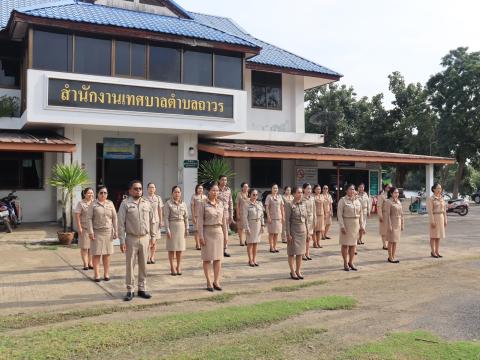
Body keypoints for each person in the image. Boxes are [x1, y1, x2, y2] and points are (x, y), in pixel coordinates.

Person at [117, 180, 156, 301]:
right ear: (130, 190)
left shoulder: (146, 203)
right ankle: (130, 290)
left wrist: (153, 236)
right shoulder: (125, 204)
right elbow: (121, 224)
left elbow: (152, 220)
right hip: (131, 238)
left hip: (144, 238)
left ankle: (142, 288)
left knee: (144, 265)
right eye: (135, 188)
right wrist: (122, 241)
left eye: (140, 188)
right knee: (130, 265)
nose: (138, 190)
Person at [197, 183, 228, 292]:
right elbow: (200, 221)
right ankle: (209, 282)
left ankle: (216, 281)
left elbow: (224, 221)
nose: (215, 192)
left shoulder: (221, 203)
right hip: (207, 232)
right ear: (209, 191)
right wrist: (200, 236)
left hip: (218, 232)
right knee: (207, 259)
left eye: (217, 191)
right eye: (213, 190)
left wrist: (226, 235)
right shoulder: (203, 203)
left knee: (218, 258)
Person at [88, 186, 118, 282]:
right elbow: (89, 219)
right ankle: (96, 275)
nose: (103, 194)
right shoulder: (93, 204)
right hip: (97, 232)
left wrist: (116, 231)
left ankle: (106, 274)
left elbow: (114, 218)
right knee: (96, 254)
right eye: (101, 192)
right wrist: (90, 232)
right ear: (98, 194)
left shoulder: (110, 203)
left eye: (105, 193)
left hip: (108, 232)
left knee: (107, 254)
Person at [337, 184, 365, 272]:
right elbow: (339, 214)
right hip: (346, 224)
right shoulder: (342, 200)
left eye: (353, 189)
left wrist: (362, 226)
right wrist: (342, 226)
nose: (352, 191)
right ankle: (345, 262)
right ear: (346, 191)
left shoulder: (357, 201)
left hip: (355, 225)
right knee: (345, 245)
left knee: (353, 245)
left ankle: (351, 262)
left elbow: (361, 215)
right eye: (350, 189)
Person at [164, 186, 189, 276]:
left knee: (180, 249)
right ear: (172, 193)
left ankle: (178, 266)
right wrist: (167, 230)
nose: (177, 194)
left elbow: (186, 217)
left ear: (180, 193)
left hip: (181, 226)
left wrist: (187, 228)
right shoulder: (168, 203)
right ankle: (172, 267)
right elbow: (166, 218)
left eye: (178, 192)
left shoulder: (183, 204)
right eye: (175, 192)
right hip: (172, 226)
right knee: (171, 249)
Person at [285, 186, 308, 280]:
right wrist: (288, 234)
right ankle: (292, 271)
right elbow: (287, 220)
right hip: (293, 230)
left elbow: (306, 219)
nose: (300, 194)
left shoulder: (303, 204)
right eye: (298, 192)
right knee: (292, 252)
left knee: (300, 252)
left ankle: (298, 270)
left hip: (302, 230)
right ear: (294, 194)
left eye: (301, 192)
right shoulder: (289, 204)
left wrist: (308, 232)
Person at [242, 189, 265, 267]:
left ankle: (254, 259)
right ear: (250, 195)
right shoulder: (246, 204)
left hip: (258, 225)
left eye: (256, 195)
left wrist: (262, 225)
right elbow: (244, 217)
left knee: (256, 243)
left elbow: (262, 216)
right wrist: (247, 228)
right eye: (253, 195)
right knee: (250, 243)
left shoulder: (260, 203)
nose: (255, 196)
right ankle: (250, 260)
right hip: (251, 225)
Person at [74, 187, 94, 270]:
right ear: (84, 194)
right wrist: (79, 227)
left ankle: (90, 263)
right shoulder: (81, 203)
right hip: (84, 228)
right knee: (84, 247)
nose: (90, 194)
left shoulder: (95, 203)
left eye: (92, 193)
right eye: (89, 193)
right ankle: (85, 264)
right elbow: (77, 215)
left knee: (92, 247)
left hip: (93, 229)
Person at [426, 183, 447, 258]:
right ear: (434, 189)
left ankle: (437, 251)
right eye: (438, 188)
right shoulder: (431, 199)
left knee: (438, 236)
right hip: (434, 217)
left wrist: (445, 219)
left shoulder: (442, 198)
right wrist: (432, 221)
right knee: (433, 236)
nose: (439, 190)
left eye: (440, 188)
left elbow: (444, 210)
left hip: (441, 217)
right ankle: (433, 252)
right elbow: (430, 211)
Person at [145, 183, 164, 264]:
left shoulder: (158, 198)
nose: (151, 189)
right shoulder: (144, 199)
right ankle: (147, 257)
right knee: (147, 240)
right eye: (150, 187)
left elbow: (160, 210)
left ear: (155, 189)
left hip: (155, 221)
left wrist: (161, 220)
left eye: (153, 187)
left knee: (154, 240)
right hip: (147, 222)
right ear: (147, 189)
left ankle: (152, 257)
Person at [385, 187, 404, 263]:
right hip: (392, 222)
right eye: (395, 193)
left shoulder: (399, 202)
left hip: (398, 222)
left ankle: (393, 256)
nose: (397, 194)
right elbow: (387, 215)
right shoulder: (388, 202)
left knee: (395, 241)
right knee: (391, 241)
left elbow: (402, 214)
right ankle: (390, 257)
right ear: (391, 193)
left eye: (397, 193)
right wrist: (389, 225)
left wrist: (402, 224)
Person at [265, 184, 284, 253]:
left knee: (277, 233)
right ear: (271, 189)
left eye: (276, 188)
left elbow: (282, 207)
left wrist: (283, 216)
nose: (275, 189)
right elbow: (267, 207)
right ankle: (271, 247)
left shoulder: (280, 197)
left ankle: (275, 246)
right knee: (271, 233)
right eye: (274, 188)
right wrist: (268, 217)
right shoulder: (269, 197)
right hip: (272, 218)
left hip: (279, 217)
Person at [218, 175, 233, 257]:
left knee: (225, 233)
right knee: (218, 233)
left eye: (225, 180)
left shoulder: (228, 190)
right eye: (222, 180)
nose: (224, 181)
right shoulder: (216, 189)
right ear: (219, 180)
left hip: (226, 213)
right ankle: (218, 249)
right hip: (218, 214)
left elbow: (230, 202)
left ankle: (224, 249)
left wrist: (231, 215)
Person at [302, 183, 316, 261]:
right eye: (307, 188)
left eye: (310, 189)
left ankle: (307, 253)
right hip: (303, 220)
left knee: (309, 238)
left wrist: (315, 219)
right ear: (304, 189)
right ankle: (303, 253)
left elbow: (314, 210)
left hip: (310, 220)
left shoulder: (312, 198)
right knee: (304, 238)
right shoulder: (301, 198)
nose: (309, 190)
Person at [191, 184, 207, 251]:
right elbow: (192, 207)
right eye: (199, 188)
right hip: (196, 216)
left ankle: (201, 243)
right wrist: (193, 216)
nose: (200, 190)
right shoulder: (194, 196)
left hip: (203, 216)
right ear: (196, 189)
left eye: (201, 188)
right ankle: (197, 244)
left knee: (202, 230)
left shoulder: (205, 197)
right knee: (197, 230)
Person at [377, 183, 392, 250]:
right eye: (389, 187)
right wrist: (380, 215)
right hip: (384, 214)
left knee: (390, 230)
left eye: (391, 187)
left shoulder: (392, 196)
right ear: (385, 188)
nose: (390, 189)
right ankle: (384, 245)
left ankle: (389, 243)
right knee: (383, 230)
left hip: (391, 215)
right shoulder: (382, 196)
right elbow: (379, 206)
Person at [235, 182, 249, 246]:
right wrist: (237, 214)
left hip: (248, 214)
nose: (246, 188)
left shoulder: (249, 194)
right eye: (245, 187)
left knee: (248, 227)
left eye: (247, 187)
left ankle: (247, 240)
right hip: (241, 213)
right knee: (240, 228)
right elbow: (237, 205)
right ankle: (241, 241)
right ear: (242, 187)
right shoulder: (239, 194)